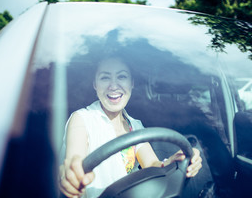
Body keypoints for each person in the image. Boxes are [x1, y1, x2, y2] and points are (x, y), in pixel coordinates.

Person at [58, 56, 203, 198]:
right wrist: (70, 175)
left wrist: (174, 160)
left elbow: (152, 164)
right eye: (105, 78)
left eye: (122, 77)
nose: (113, 86)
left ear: (132, 83)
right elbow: (74, 161)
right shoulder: (82, 119)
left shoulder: (135, 126)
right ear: (95, 84)